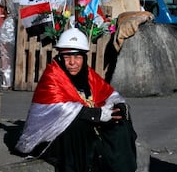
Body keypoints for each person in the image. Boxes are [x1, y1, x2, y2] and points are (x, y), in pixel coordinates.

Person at [15, 28, 138, 172]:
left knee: (119, 124)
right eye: (67, 57)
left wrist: (118, 105)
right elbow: (61, 110)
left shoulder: (87, 73)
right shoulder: (52, 75)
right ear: (60, 57)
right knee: (78, 126)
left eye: (77, 57)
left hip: (89, 123)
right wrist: (97, 114)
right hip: (53, 136)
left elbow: (108, 93)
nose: (72, 62)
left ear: (84, 58)